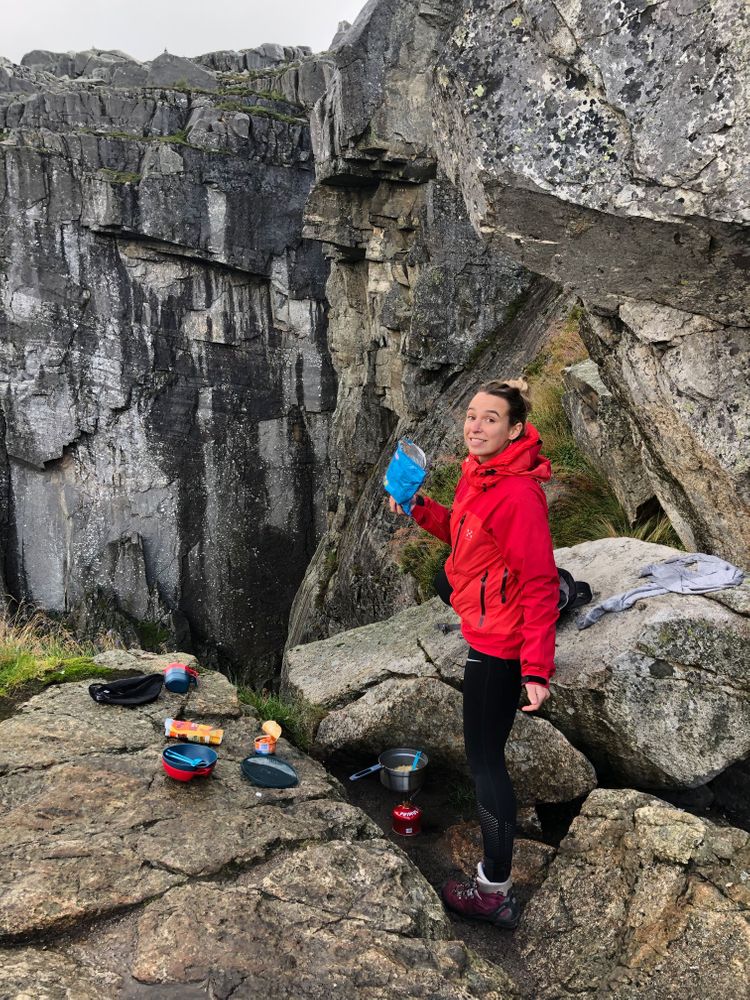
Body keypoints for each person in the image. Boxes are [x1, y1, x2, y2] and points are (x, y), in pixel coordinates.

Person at [388, 379, 559, 929]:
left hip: (500, 644)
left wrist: (535, 667)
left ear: (514, 430)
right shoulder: (481, 474)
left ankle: (494, 891)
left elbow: (536, 580)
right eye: (471, 416)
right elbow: (461, 536)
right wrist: (418, 508)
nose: (476, 426)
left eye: (491, 418)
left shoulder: (516, 494)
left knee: (486, 763)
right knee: (446, 575)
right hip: (489, 613)